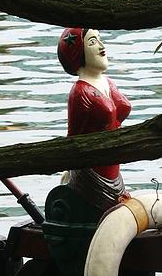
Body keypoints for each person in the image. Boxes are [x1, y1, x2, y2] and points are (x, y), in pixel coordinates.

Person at [57, 27, 132, 210]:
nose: (101, 46)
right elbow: (73, 135)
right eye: (92, 42)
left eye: (99, 39)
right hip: (92, 174)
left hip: (114, 170)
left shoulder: (108, 82)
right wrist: (69, 167)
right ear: (79, 53)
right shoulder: (80, 91)